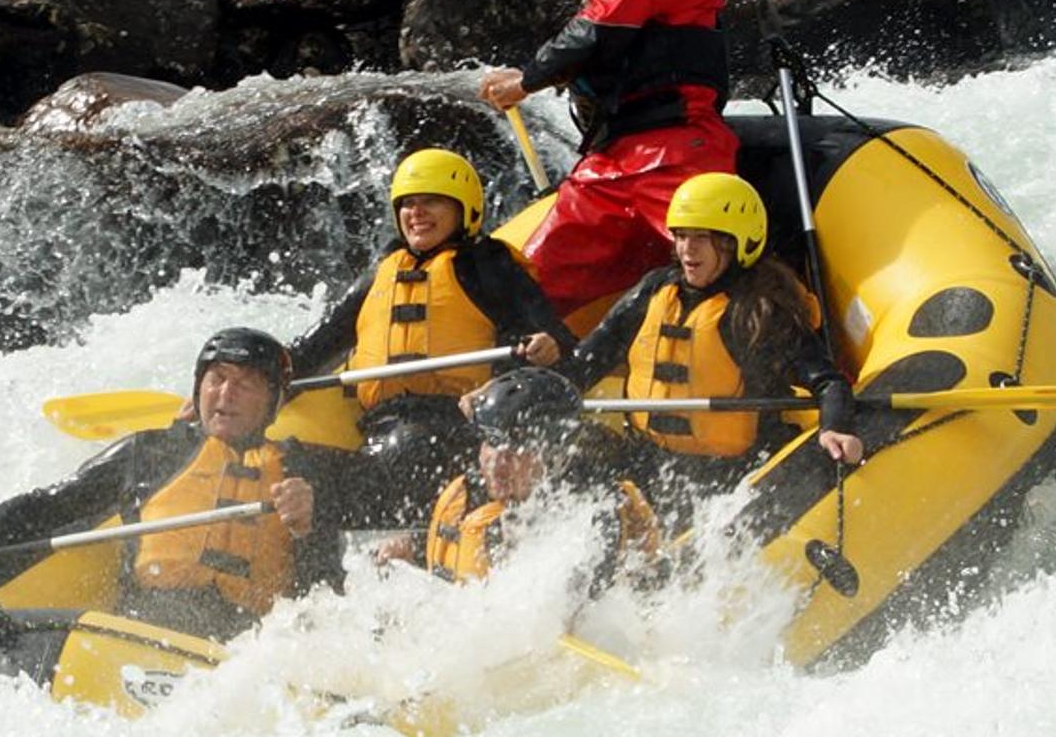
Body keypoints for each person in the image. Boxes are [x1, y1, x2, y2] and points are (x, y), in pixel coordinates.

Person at [0, 325, 362, 642]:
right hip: (145, 632)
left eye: (245, 385)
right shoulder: (151, 453)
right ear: (198, 389)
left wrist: (307, 528)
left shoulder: (301, 470)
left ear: (274, 402)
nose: (226, 395)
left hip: (243, 654)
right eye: (218, 380)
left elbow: (324, 594)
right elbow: (54, 504)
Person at [474, 0, 742, 313]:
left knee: (718, 267)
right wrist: (532, 76)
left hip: (679, 150)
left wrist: (526, 82)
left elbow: (594, 33)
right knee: (535, 283)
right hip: (609, 163)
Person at [287, 145, 568, 523]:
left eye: (431, 202)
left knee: (409, 448)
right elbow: (318, 345)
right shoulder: (383, 271)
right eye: (408, 204)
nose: (416, 213)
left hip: (459, 424)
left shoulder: (487, 265)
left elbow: (555, 340)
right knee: (297, 466)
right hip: (381, 425)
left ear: (463, 208)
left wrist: (535, 356)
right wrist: (250, 375)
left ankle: (420, 543)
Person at [576, 172, 864, 509]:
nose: (687, 249)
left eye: (702, 237)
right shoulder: (655, 291)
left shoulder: (759, 309)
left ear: (737, 242)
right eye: (681, 236)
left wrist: (835, 427)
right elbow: (589, 359)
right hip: (648, 463)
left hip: (732, 477)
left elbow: (828, 382)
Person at [378, 366, 663, 589]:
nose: (496, 462)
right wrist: (413, 547)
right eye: (491, 442)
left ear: (555, 455)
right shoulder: (470, 490)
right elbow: (461, 542)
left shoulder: (592, 513)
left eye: (515, 449)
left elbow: (577, 611)